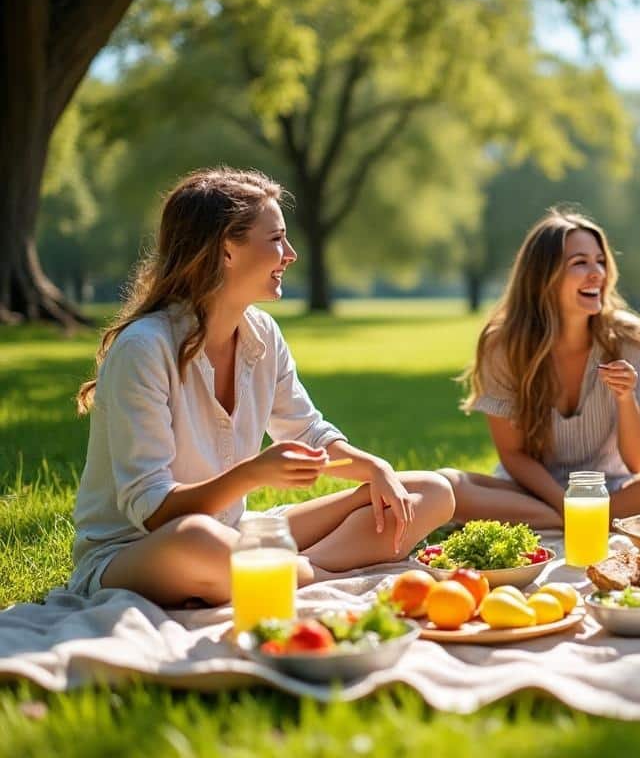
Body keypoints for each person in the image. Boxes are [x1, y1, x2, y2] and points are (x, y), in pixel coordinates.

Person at [68, 167, 456, 607]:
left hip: (236, 533)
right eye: (275, 239)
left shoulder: (262, 335)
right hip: (138, 550)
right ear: (225, 250)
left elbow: (308, 434)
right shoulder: (145, 349)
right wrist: (253, 473)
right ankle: (313, 575)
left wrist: (374, 468)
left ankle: (291, 574)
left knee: (431, 493)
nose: (289, 254)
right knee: (197, 539)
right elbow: (155, 513)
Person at [443, 208, 640, 528]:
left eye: (600, 261)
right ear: (542, 277)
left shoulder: (630, 340)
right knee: (448, 485)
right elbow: (512, 454)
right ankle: (583, 521)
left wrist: (625, 398)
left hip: (610, 490)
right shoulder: (504, 345)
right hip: (533, 493)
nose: (597, 273)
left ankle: (560, 521)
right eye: (580, 263)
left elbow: (639, 461)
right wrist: (566, 505)